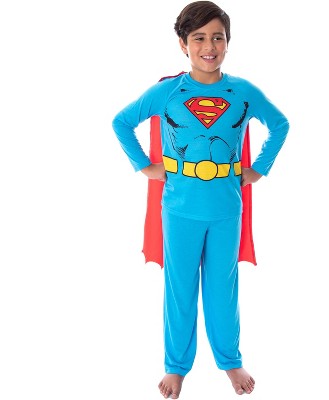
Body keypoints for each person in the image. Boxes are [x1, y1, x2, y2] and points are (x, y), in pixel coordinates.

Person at [112, 1, 289, 398]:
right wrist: (145, 166)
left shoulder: (243, 92)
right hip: (179, 210)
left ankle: (230, 360)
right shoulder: (168, 92)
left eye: (217, 38)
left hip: (226, 209)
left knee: (223, 289)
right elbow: (121, 122)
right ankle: (176, 366)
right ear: (183, 44)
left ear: (228, 42)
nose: (209, 47)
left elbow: (279, 124)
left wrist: (259, 169)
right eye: (199, 38)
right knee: (180, 288)